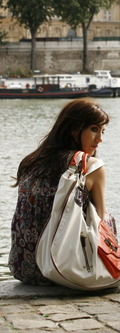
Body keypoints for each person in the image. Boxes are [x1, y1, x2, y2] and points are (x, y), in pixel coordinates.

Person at [9, 98, 111, 285]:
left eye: (102, 131)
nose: (100, 139)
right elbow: (101, 220)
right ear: (74, 129)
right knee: (106, 218)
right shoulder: (91, 166)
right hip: (63, 269)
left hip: (24, 267)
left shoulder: (30, 161)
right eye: (94, 129)